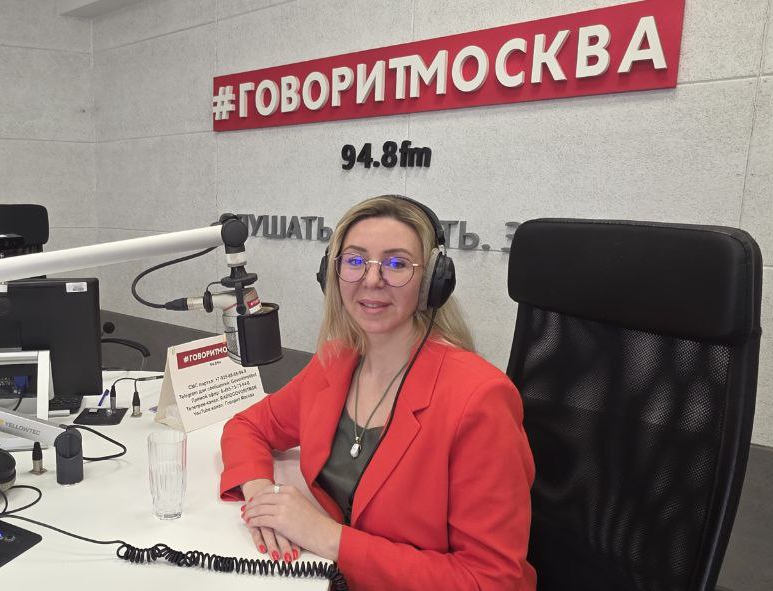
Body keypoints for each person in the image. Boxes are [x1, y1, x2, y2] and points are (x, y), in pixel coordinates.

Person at [219, 195, 536, 591]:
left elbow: (492, 581)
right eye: (354, 261)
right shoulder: (334, 362)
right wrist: (262, 495)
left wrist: (328, 538)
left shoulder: (479, 400)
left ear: (432, 282)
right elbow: (248, 426)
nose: (371, 280)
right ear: (332, 274)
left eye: (397, 264)